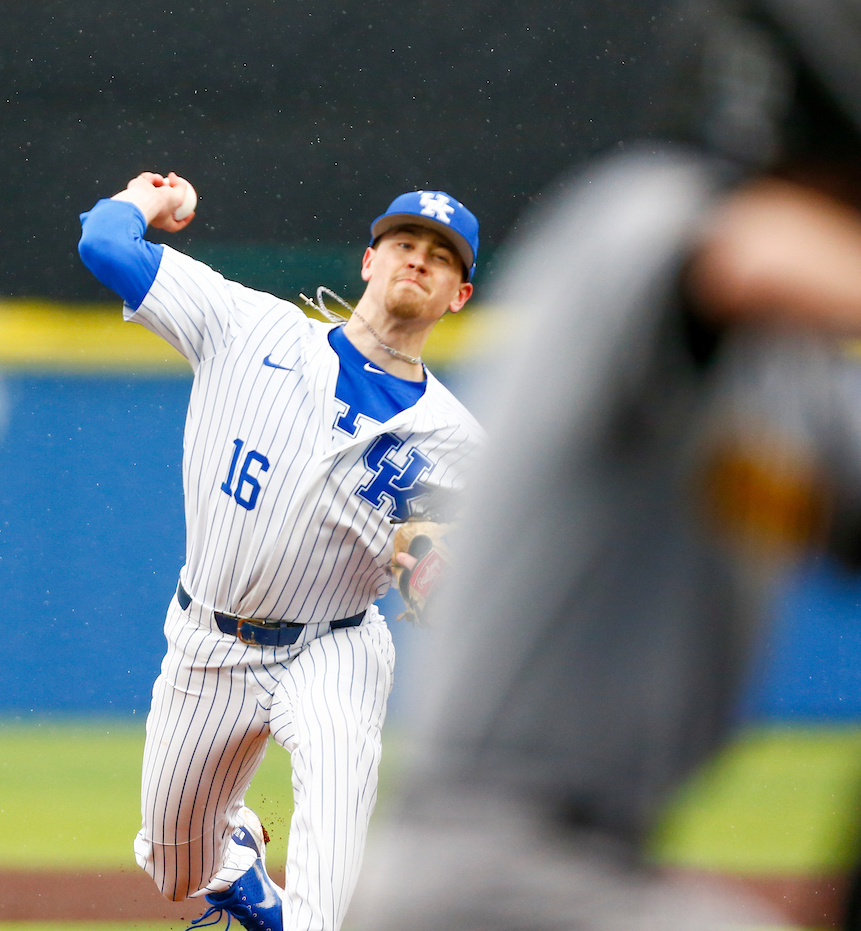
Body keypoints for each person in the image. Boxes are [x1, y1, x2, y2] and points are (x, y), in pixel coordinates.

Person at [347, 147, 861, 931]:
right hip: (489, 859)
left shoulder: (794, 378)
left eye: (437, 254)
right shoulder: (641, 215)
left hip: (599, 870)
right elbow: (748, 258)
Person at [77, 172, 481, 931]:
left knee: (329, 845)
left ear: (458, 295)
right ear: (369, 260)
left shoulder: (459, 445)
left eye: (442, 256)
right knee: (173, 870)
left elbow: (486, 587)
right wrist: (146, 199)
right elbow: (104, 243)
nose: (419, 260)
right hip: (209, 645)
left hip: (335, 647)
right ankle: (237, 863)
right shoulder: (248, 326)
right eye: (404, 243)